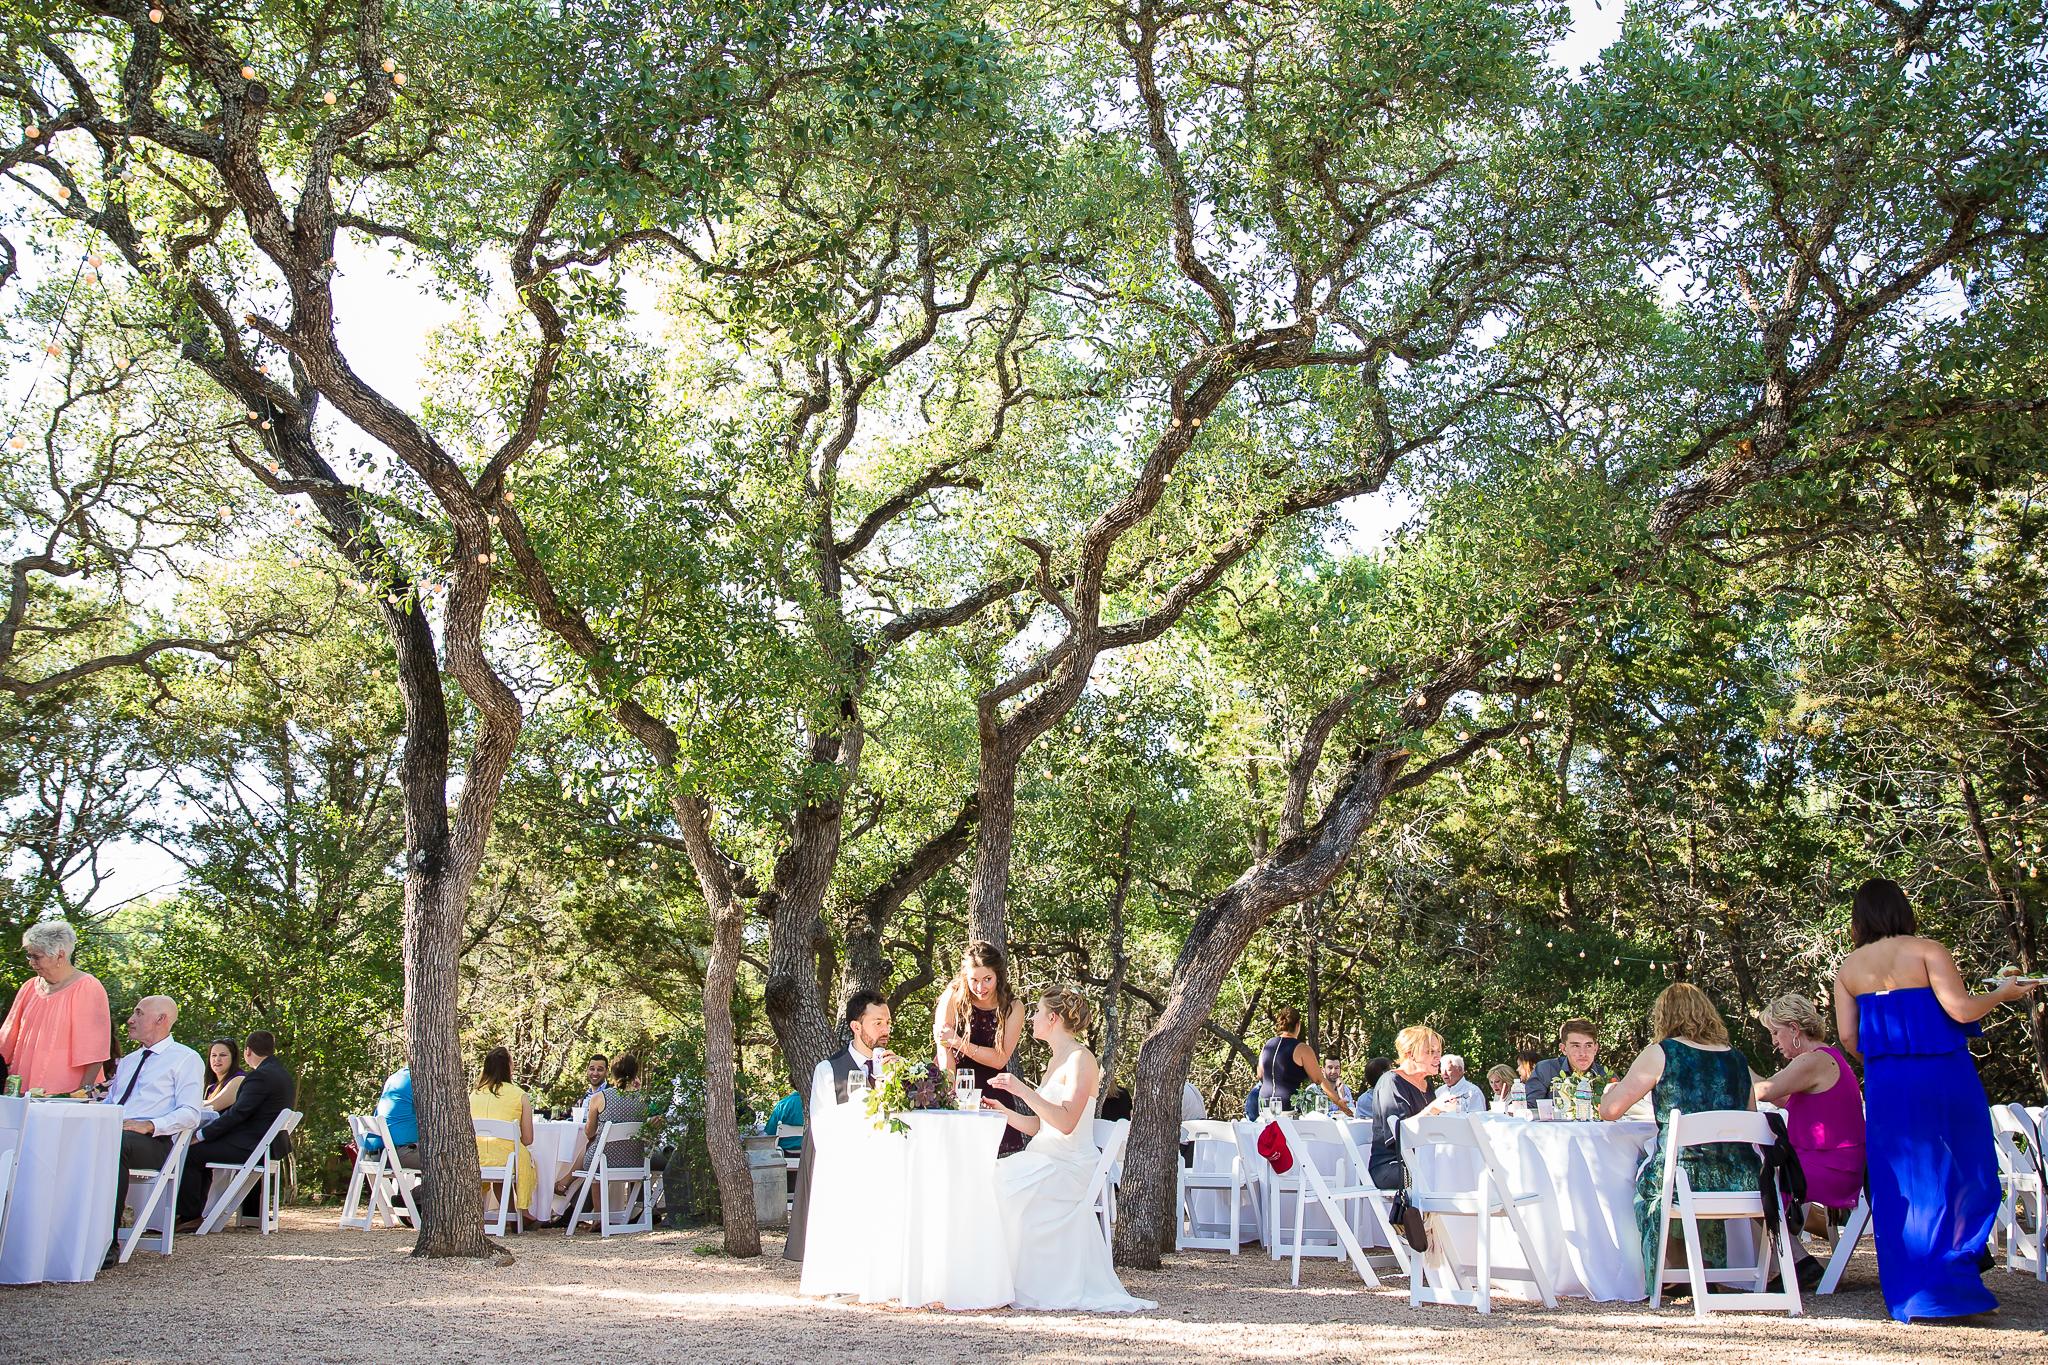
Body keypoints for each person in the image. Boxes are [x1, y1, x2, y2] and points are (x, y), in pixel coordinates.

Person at [1833, 877, 2037, 1322]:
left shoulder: (1849, 969)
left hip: (1888, 1082)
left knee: (1904, 1180)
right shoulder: (1928, 950)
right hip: (1944, 1074)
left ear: (1860, 918)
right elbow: (1960, 1009)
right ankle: (1953, 1277)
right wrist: (2002, 994)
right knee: (1966, 1168)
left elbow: (1849, 1037)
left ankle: (1915, 1292)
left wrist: (1885, 1059)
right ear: (1901, 909)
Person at [987, 987, 1156, 1312]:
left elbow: (1066, 1123)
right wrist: (1004, 1113)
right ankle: (998, 1280)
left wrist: (1021, 1091)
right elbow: (1041, 1126)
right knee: (992, 1177)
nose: (1032, 1019)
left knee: (1003, 1184)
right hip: (1045, 1157)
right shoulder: (1055, 1061)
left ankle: (1016, 1282)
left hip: (1069, 1165)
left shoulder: (1082, 1059)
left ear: (1052, 1018)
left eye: (1037, 1012)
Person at [1598, 983, 1758, 1290]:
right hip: (1739, 1177)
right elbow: (1750, 1117)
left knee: (1639, 1177)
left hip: (1684, 1175)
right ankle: (1701, 1271)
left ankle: (1667, 1272)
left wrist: (1609, 1092)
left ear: (1664, 1016)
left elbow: (1610, 1111)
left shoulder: (1662, 1053)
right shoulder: (1737, 1059)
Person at [790, 990, 896, 1269]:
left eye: (887, 1022)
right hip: (845, 1165)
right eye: (877, 1023)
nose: (885, 1030)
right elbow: (822, 1125)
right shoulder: (828, 1069)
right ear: (856, 1026)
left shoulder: (896, 1068)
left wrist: (897, 1080)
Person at [99, 995, 203, 1249]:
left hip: (154, 1142)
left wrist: (150, 1125)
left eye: (138, 1013)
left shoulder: (185, 1059)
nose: (130, 1020)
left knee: (115, 1144)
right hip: (117, 1133)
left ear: (161, 1019)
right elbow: (112, 1103)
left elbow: (191, 1113)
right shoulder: (129, 1061)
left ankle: (105, 1243)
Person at [179, 1030, 297, 1225]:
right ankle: (198, 1213)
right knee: (200, 1150)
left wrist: (201, 1135)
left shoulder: (260, 1076)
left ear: (247, 1051)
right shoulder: (282, 1074)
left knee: (193, 1153)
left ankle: (189, 1216)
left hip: (252, 1146)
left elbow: (237, 1114)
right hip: (266, 1145)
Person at [934, 940, 1028, 1156]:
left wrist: (959, 1042)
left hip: (992, 1092)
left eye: (987, 979)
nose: (980, 987)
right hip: (955, 1084)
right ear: (965, 977)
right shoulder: (953, 995)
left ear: (998, 976)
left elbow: (999, 1059)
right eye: (974, 980)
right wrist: (950, 1095)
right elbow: (943, 1048)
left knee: (993, 1163)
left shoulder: (1013, 1007)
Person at [1, 920, 112, 1096]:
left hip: (66, 1093)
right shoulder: (29, 987)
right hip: (21, 1087)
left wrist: (82, 1093)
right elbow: (7, 1039)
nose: (31, 962)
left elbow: (96, 1050)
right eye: (29, 956)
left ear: (60, 955)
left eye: (37, 957)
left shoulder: (88, 987)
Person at [1367, 1025, 1450, 1193]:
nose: (1437, 1057)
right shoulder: (1391, 1081)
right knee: (1447, 1173)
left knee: (1458, 1167)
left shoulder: (1426, 1085)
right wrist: (1433, 1109)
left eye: (1438, 1051)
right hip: (1392, 1166)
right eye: (1430, 1051)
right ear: (1410, 1054)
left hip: (1425, 1161)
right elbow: (1400, 1134)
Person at [555, 1052, 648, 1197]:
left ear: (612, 1073)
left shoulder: (600, 1097)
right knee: (595, 1148)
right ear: (635, 1073)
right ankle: (566, 1184)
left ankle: (595, 1209)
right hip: (637, 1161)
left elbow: (589, 1133)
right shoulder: (645, 1099)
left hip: (602, 1162)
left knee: (593, 1146)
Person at [469, 1045, 537, 1214]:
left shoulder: (473, 1095)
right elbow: (528, 1139)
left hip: (476, 1157)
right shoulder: (519, 1095)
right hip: (507, 1159)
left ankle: (511, 1213)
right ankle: (524, 1212)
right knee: (526, 1160)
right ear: (508, 1067)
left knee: (502, 1170)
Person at [1257, 1007, 1351, 1114]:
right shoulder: (1302, 1048)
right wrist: (1338, 1102)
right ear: (1298, 1025)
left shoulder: (1267, 1045)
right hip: (1287, 1107)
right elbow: (1319, 1080)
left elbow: (1260, 1074)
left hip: (1264, 1104)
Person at [1527, 1018, 1609, 1105]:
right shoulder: (1546, 1070)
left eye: (1588, 1046)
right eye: (1576, 1046)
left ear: (1595, 1049)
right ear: (1563, 1049)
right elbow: (1530, 1108)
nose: (1583, 1053)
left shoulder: (1607, 1076)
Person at [365, 1064, 420, 1169]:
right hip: (398, 1155)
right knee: (450, 1159)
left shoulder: (396, 1077)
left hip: (377, 1155)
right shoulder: (417, 1080)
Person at [198, 1037, 244, 1126]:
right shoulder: (211, 1085)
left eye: (222, 1055)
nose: (217, 1059)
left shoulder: (239, 1079)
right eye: (214, 1055)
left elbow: (212, 1106)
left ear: (233, 1057)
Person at [766, 1087, 805, 1155]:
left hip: (784, 1151)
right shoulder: (816, 1104)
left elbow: (771, 1133)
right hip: (811, 1151)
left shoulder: (783, 1104)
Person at [575, 1053, 609, 1117]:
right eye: (592, 1069)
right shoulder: (584, 1096)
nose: (595, 1073)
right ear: (587, 1070)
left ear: (607, 1072)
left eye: (600, 1070)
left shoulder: (611, 1095)